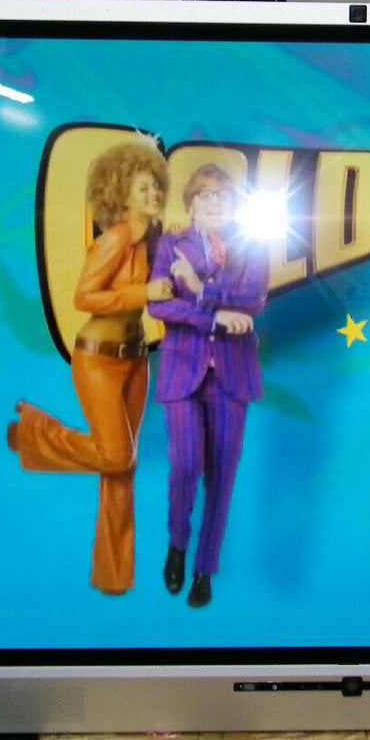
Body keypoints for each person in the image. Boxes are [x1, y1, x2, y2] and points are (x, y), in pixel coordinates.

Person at [8, 134, 172, 595]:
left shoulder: (152, 240)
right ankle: (31, 434)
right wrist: (142, 292)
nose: (153, 194)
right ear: (122, 195)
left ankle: (113, 576)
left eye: (156, 186)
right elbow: (85, 297)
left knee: (121, 470)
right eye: (143, 188)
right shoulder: (115, 240)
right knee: (116, 455)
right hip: (98, 360)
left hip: (136, 359)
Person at [147, 164, 269, 608]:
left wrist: (200, 290)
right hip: (183, 371)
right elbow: (159, 306)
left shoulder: (253, 245)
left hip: (233, 375)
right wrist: (213, 316)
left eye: (223, 196)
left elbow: (253, 300)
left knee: (222, 476)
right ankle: (177, 543)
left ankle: (204, 568)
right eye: (205, 195)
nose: (214, 203)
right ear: (192, 203)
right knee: (184, 465)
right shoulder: (169, 244)